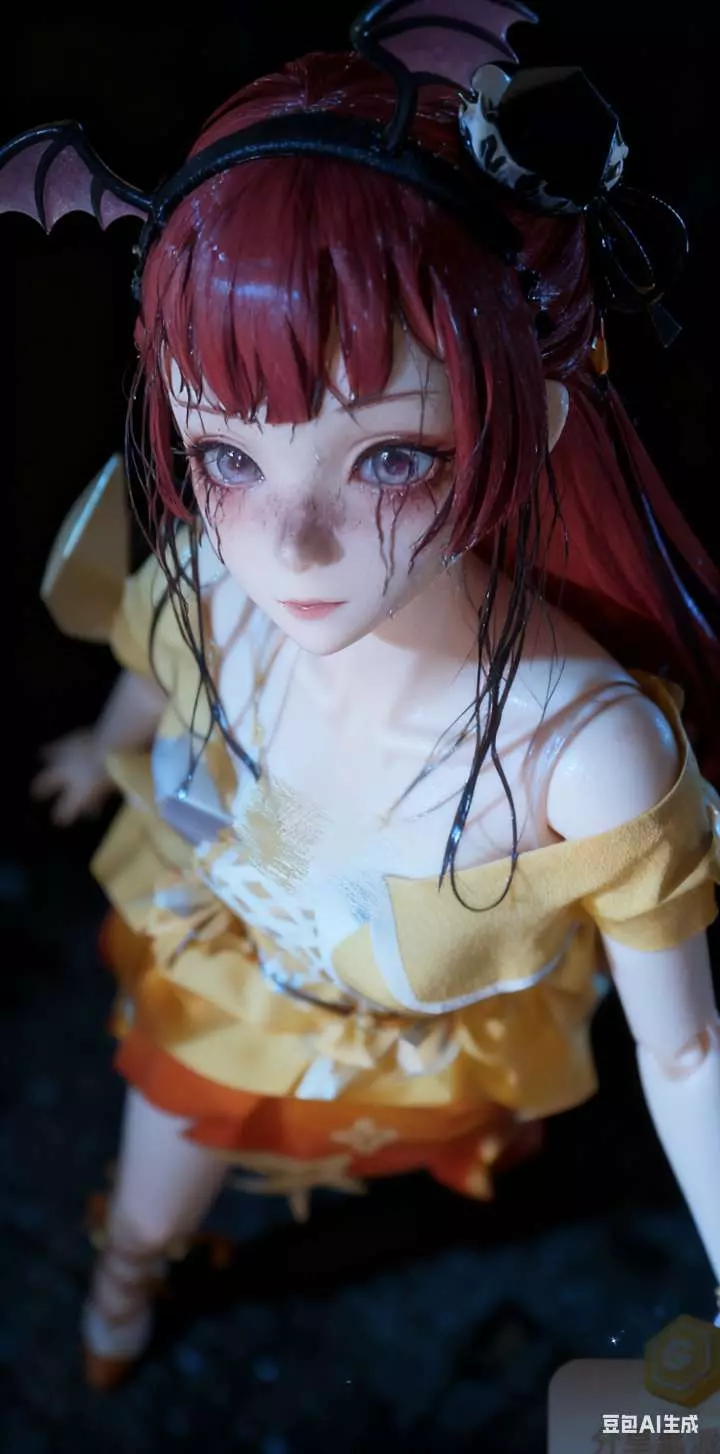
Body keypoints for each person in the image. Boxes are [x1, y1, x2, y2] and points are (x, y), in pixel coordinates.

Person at [5, 2, 720, 1389]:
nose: (292, 547)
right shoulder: (219, 583)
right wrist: (106, 744)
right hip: (237, 967)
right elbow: (157, 661)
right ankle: (122, 1287)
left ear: (530, 424)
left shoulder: (590, 754)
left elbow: (686, 1046)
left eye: (391, 457)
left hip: (426, 1034)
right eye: (225, 456)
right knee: (156, 1179)